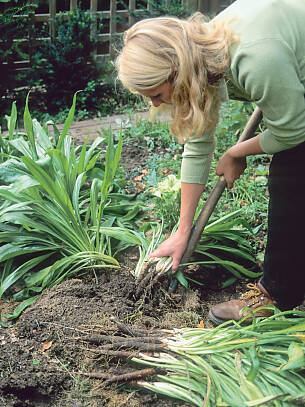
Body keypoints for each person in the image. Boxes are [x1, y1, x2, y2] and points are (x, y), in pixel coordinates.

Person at [116, 0, 305, 324]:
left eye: (156, 94)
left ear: (175, 71)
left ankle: (276, 292)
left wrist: (236, 152)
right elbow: (198, 141)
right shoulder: (203, 54)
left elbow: (294, 130)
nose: (155, 103)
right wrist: (182, 229)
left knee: (291, 171)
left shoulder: (254, 57)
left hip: (278, 63)